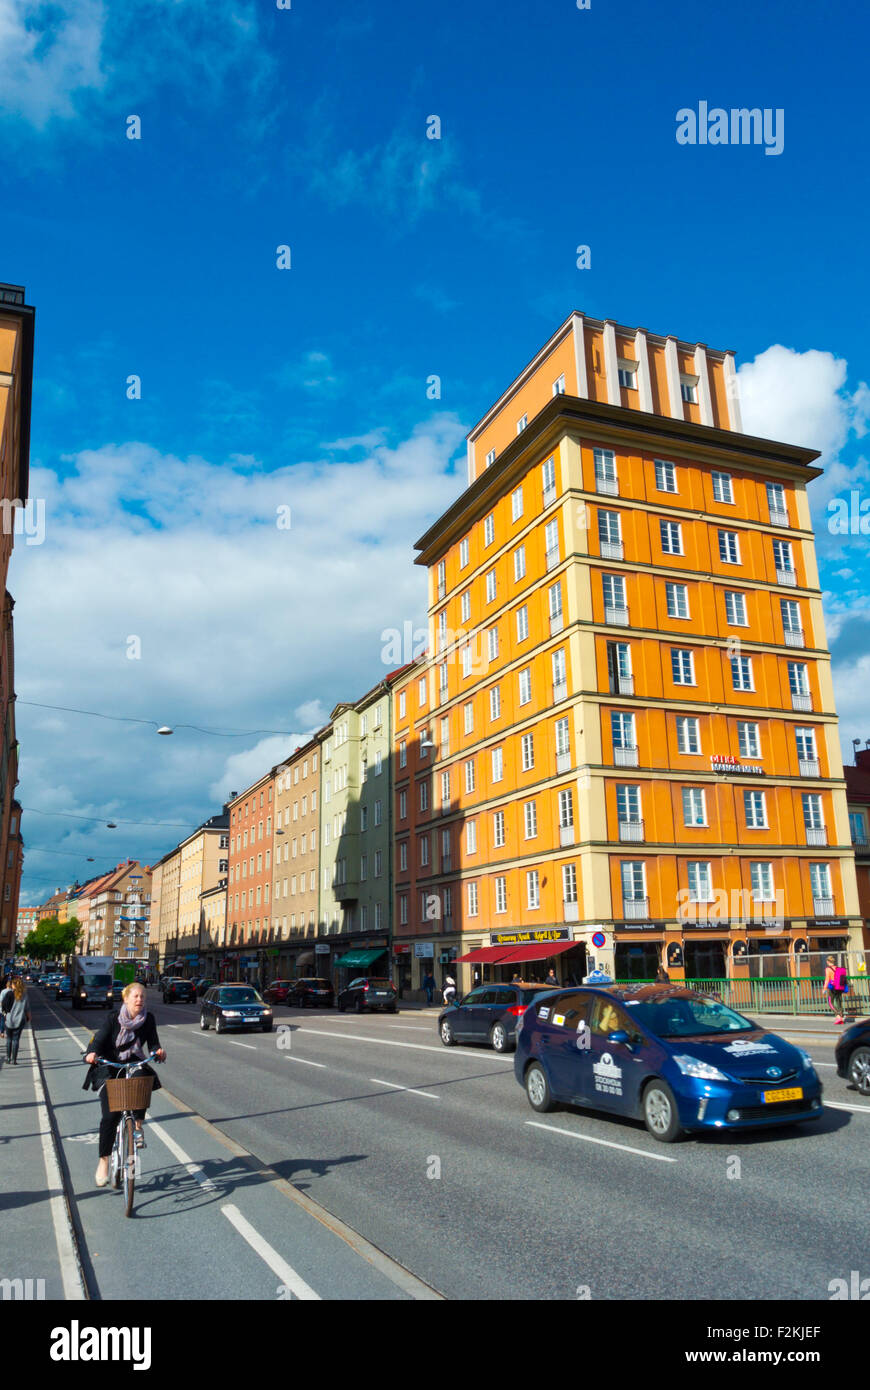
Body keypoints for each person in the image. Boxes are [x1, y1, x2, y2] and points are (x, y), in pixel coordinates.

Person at [83, 982, 165, 1187]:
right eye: (135, 997)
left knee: (142, 1080)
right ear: (126, 999)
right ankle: (104, 1160)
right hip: (110, 1066)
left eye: (142, 997)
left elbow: (153, 1042)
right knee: (110, 1116)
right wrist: (91, 1053)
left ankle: (137, 1126)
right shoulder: (113, 1019)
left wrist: (158, 1051)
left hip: (134, 1063)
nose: (139, 1000)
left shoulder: (148, 1019)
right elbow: (98, 1040)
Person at [4, 978, 30, 1064]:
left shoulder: (9, 994)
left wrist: (5, 1015)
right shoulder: (24, 995)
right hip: (20, 1020)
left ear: (14, 985)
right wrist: (28, 1017)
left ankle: (8, 1058)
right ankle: (14, 1060)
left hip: (9, 1020)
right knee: (16, 1040)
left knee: (9, 1039)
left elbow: (4, 1006)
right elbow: (27, 1009)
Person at [823, 955, 847, 1025]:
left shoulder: (828, 969)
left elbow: (827, 979)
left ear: (828, 962)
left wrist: (824, 988)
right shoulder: (838, 968)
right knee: (839, 1001)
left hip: (832, 987)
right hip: (840, 986)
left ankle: (838, 1016)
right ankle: (841, 1016)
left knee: (831, 1002)